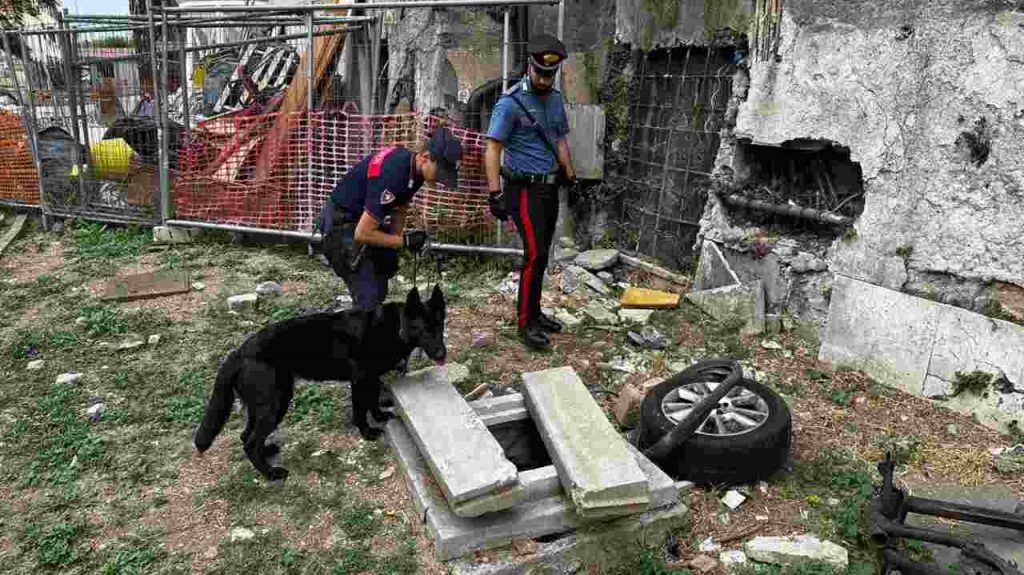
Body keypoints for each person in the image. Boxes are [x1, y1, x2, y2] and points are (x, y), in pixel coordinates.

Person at [485, 34, 577, 350]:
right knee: (534, 254)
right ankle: (525, 322)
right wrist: (494, 192)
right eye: (540, 72)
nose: (544, 78)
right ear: (530, 66)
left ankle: (536, 313)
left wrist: (571, 174)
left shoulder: (553, 98)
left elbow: (560, 138)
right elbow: (493, 147)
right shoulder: (509, 103)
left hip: (548, 188)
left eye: (550, 74)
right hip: (522, 189)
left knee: (541, 255)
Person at [318, 127, 463, 310]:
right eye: (441, 172)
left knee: (384, 271)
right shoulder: (395, 173)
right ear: (425, 157)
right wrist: (404, 241)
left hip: (359, 219)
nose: (441, 180)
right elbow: (362, 234)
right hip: (341, 224)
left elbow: (400, 206)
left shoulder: (414, 169)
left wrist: (397, 241)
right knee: (368, 299)